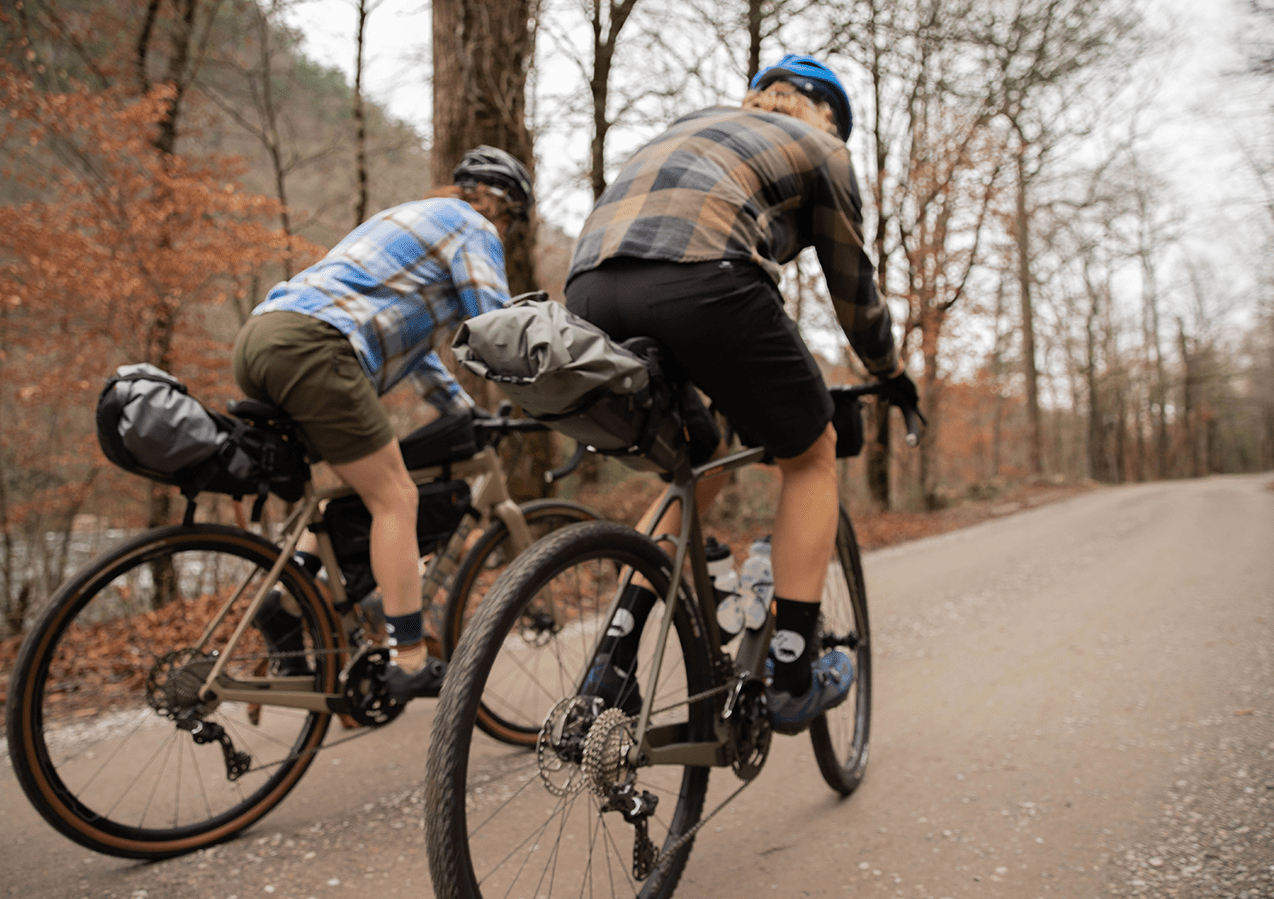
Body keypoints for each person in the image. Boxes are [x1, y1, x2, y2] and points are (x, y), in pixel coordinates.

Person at [564, 55, 920, 733]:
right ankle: (792, 673)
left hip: (588, 289)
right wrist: (889, 369)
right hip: (705, 276)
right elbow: (853, 287)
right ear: (823, 112)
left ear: (760, 97)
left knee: (695, 460)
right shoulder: (824, 147)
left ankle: (609, 664)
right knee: (811, 455)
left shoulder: (692, 124)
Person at [233, 145, 533, 703]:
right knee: (395, 498)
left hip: (262, 339)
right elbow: (499, 326)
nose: (507, 231)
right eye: (511, 218)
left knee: (333, 499)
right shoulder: (471, 225)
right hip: (313, 347)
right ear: (495, 200)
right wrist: (543, 396)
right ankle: (411, 659)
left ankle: (290, 599)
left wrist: (464, 414)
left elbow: (416, 354)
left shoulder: (409, 220)